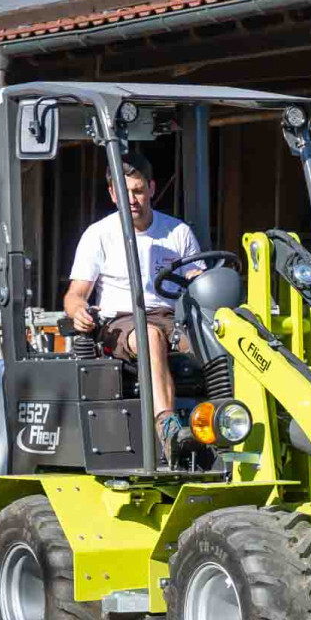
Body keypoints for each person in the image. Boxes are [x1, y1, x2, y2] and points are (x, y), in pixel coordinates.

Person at [64, 152, 201, 464]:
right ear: (112, 194)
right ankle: (167, 427)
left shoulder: (177, 232)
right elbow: (75, 295)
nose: (132, 200)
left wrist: (201, 281)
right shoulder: (98, 235)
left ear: (151, 188)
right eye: (124, 192)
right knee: (150, 335)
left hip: (171, 318)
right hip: (121, 322)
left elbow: (198, 279)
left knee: (216, 339)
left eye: (138, 191)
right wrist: (79, 311)